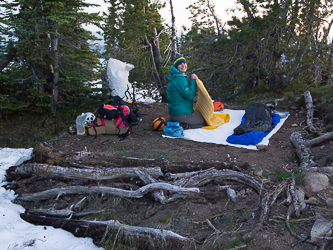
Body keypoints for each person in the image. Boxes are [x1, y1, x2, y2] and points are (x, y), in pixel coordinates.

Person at [166, 55, 205, 129]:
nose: (183, 65)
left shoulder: (178, 76)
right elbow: (189, 95)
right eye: (180, 64)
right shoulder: (179, 78)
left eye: (185, 63)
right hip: (181, 114)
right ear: (177, 66)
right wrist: (193, 80)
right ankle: (183, 125)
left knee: (201, 116)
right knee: (203, 121)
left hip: (178, 112)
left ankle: (181, 122)